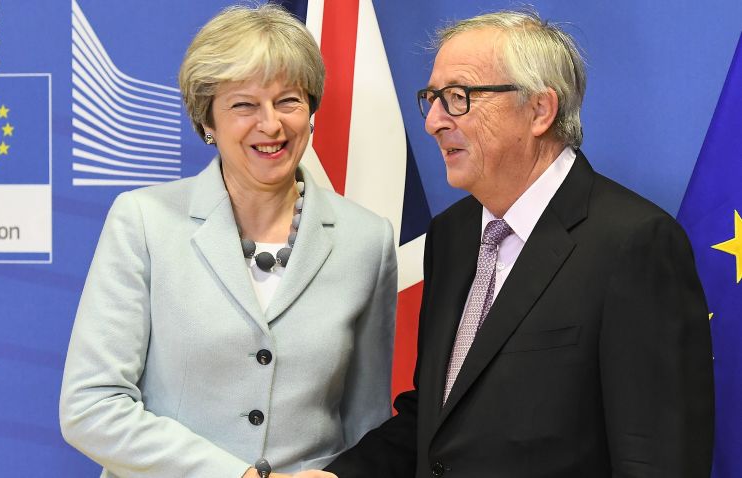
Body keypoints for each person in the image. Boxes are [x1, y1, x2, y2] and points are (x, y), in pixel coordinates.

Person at [322, 9, 715, 478]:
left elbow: (655, 460)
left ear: (539, 110)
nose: (434, 122)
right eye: (432, 98)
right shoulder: (452, 234)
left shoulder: (634, 244)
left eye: (459, 97)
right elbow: (438, 418)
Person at [59, 4, 397, 478]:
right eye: (244, 105)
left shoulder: (368, 239)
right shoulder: (143, 221)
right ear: (207, 122)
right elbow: (90, 406)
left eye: (288, 101)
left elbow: (366, 424)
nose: (271, 124)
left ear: (312, 112)